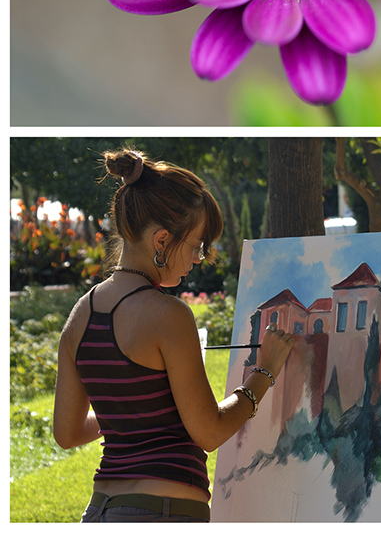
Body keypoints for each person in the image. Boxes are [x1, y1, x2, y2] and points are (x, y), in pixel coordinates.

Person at [54, 148, 296, 522]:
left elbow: (67, 433)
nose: (199, 258)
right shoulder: (169, 315)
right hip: (161, 513)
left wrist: (129, 404)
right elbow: (208, 432)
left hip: (99, 511)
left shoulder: (80, 315)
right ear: (162, 241)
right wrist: (263, 373)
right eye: (197, 245)